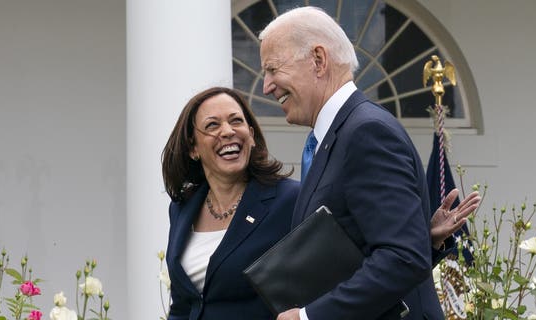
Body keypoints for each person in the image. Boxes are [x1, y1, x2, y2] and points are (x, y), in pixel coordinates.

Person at [259, 6, 480, 320]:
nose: (266, 85)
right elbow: (382, 248)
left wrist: (309, 316)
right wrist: (423, 240)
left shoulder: (365, 132)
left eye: (273, 69)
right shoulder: (337, 136)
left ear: (318, 60)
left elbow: (402, 258)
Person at [161, 87, 299, 320]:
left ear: (251, 135)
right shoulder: (181, 209)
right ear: (193, 148)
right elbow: (183, 305)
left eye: (236, 121)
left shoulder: (290, 199)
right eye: (212, 125)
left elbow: (325, 280)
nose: (227, 131)